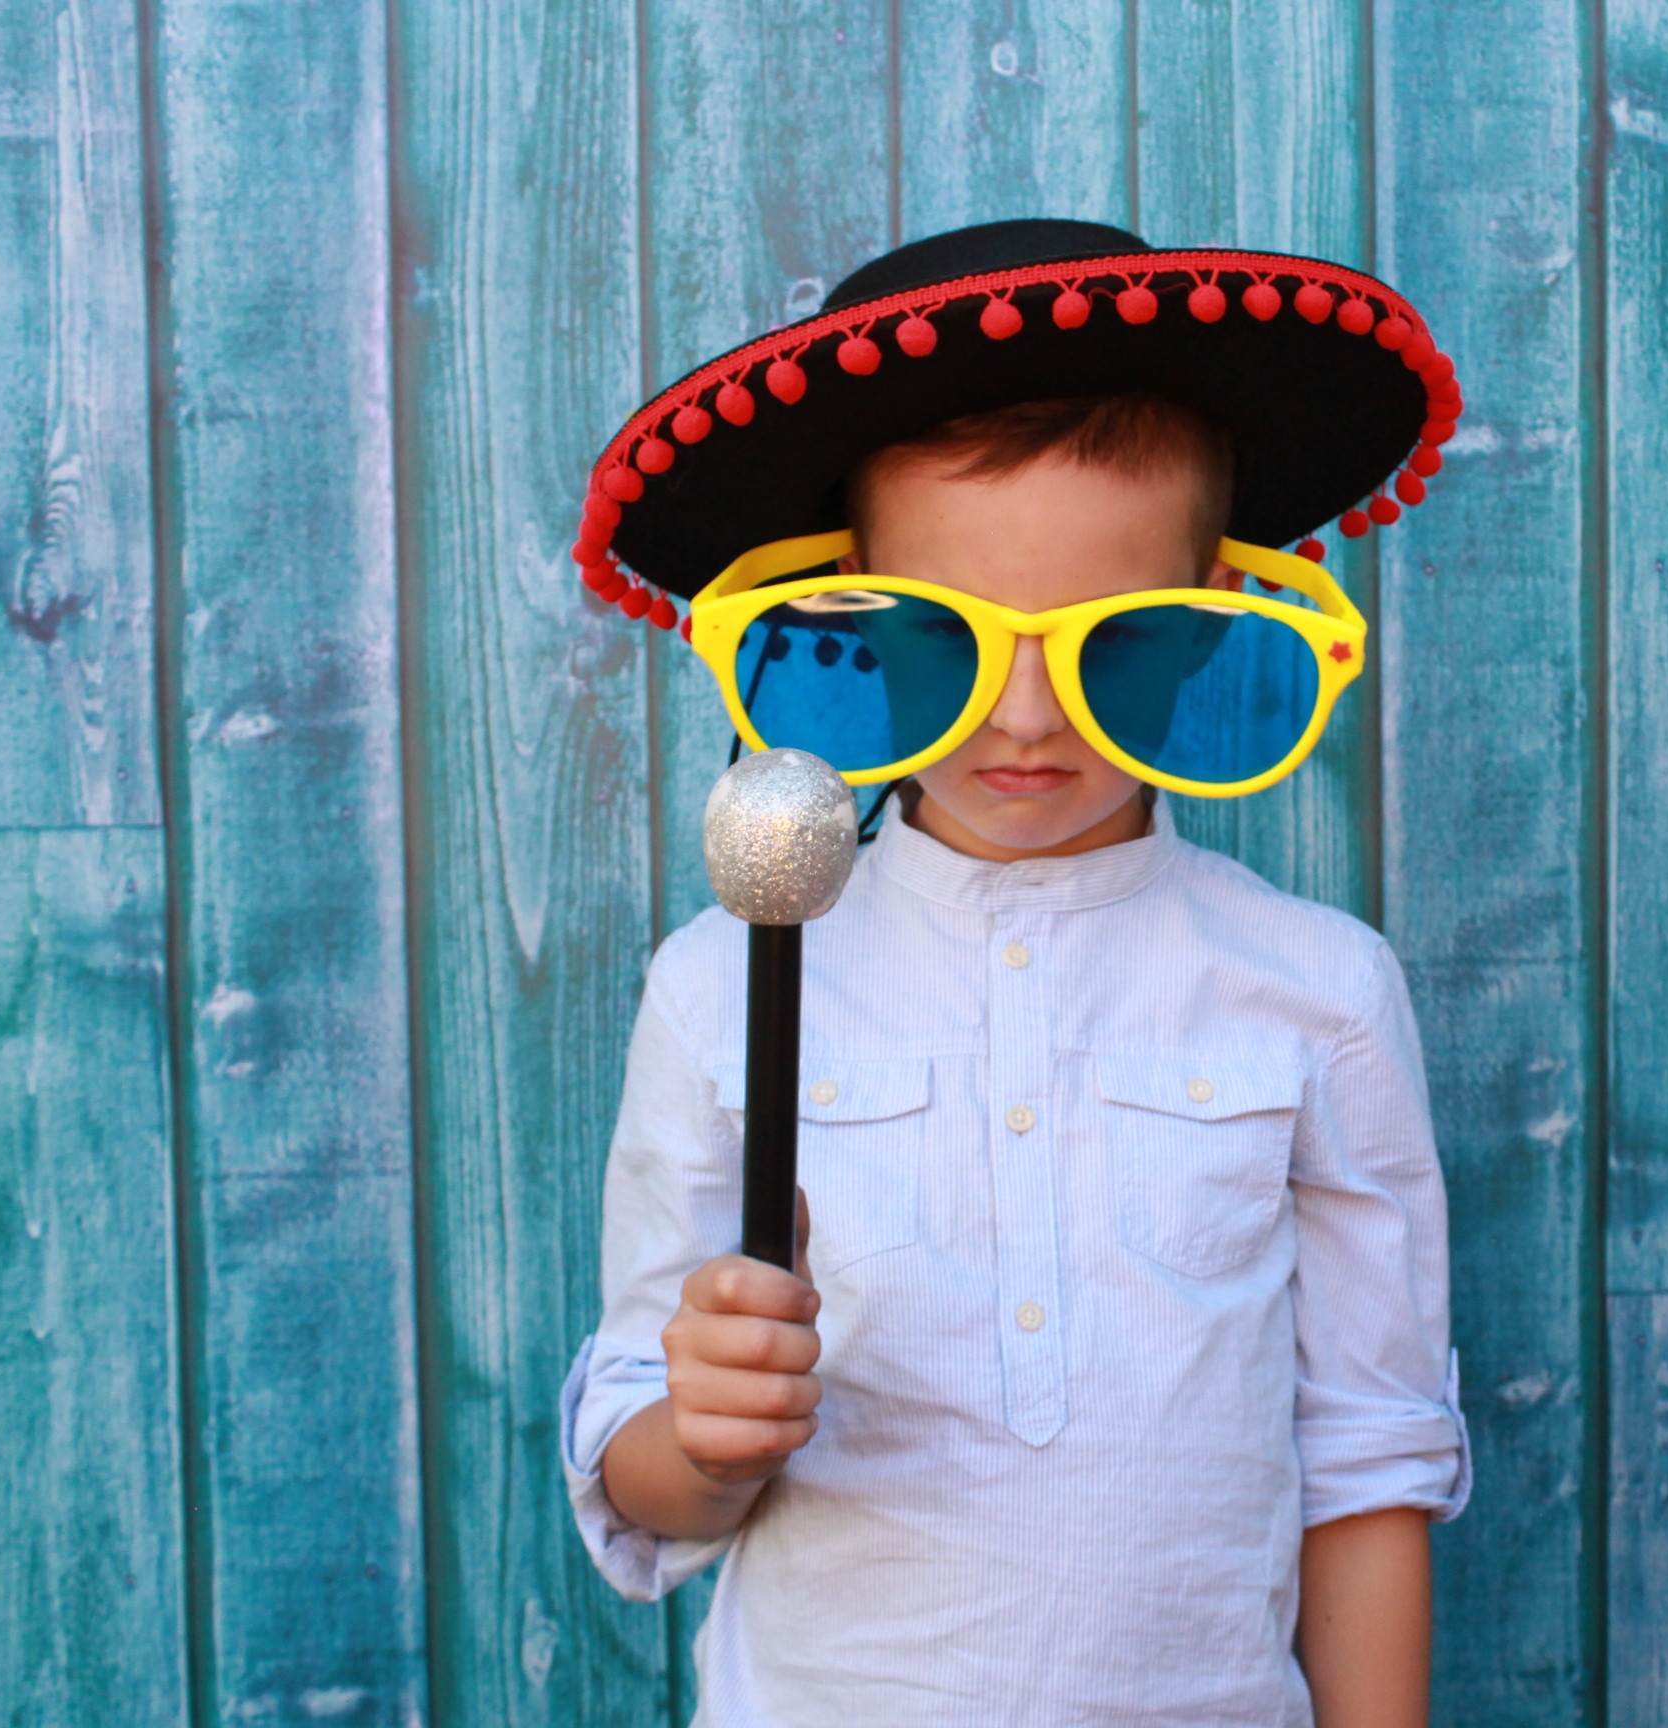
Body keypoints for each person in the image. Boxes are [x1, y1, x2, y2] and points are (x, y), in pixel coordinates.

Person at [558, 219, 1471, 1727]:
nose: (1030, 717)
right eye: (949, 635)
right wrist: (710, 1437)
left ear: (1209, 625)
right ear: (847, 614)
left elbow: (1370, 1459)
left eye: (1113, 638)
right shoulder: (720, 987)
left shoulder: (1323, 990)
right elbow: (643, 1471)